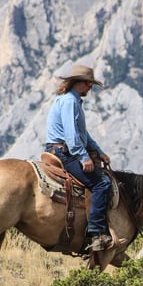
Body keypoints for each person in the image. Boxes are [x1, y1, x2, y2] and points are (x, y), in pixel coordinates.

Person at [45, 64, 113, 252]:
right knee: (102, 184)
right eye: (88, 83)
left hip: (61, 149)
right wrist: (84, 157)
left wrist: (98, 151)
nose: (90, 87)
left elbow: (83, 133)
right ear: (78, 83)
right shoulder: (70, 102)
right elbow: (71, 135)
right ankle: (96, 232)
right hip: (64, 151)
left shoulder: (69, 100)